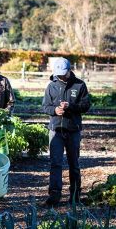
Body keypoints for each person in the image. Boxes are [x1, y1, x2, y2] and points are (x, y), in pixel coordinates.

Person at [42, 57, 91, 206]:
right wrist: (55, 110)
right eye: (58, 73)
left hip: (73, 130)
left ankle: (75, 196)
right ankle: (54, 196)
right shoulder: (51, 86)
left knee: (74, 164)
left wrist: (70, 107)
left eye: (63, 73)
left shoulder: (80, 85)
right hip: (56, 130)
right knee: (55, 163)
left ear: (69, 70)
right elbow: (45, 107)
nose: (61, 76)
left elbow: (86, 105)